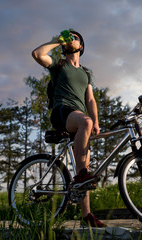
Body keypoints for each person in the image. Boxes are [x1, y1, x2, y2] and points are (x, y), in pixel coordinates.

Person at [31, 29, 106, 228]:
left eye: (75, 37)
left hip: (80, 118)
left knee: (85, 169)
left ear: (81, 46)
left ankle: (87, 215)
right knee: (86, 125)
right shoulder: (59, 65)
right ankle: (80, 174)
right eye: (69, 37)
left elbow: (90, 99)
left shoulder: (86, 72)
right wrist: (57, 40)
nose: (71, 39)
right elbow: (37, 54)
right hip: (62, 111)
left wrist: (96, 122)